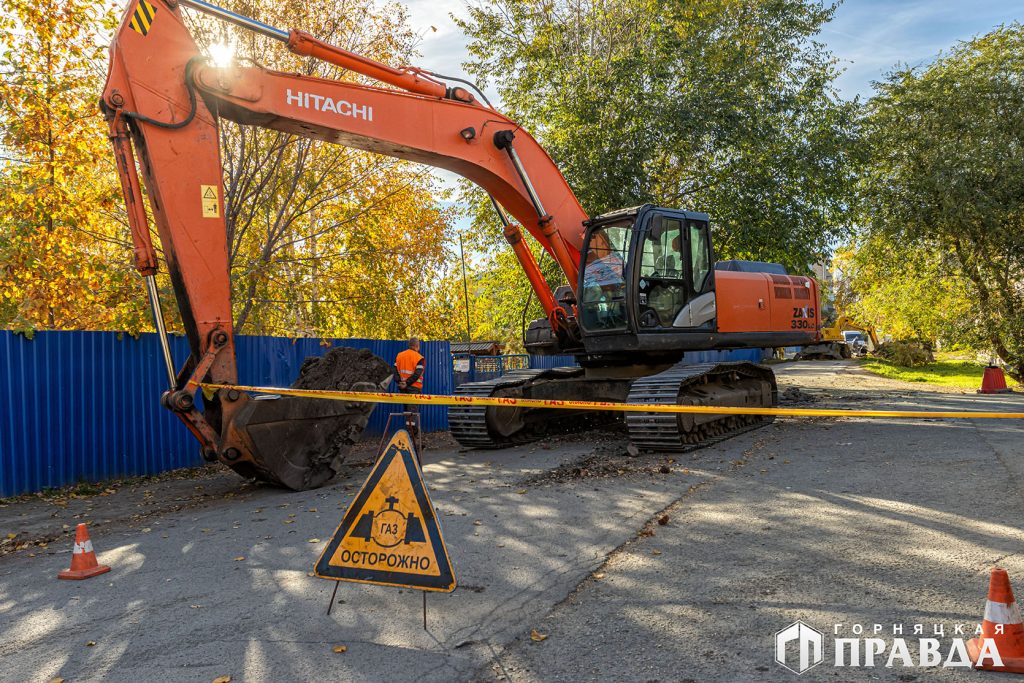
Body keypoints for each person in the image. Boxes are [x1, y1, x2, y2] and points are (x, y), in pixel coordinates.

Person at [393, 337, 425, 439]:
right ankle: (411, 437)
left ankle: (411, 435)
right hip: (414, 388)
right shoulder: (420, 358)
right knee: (412, 413)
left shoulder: (399, 356)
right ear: (417, 346)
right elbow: (417, 374)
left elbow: (395, 372)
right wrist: (407, 383)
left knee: (407, 412)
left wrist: (400, 382)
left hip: (402, 388)